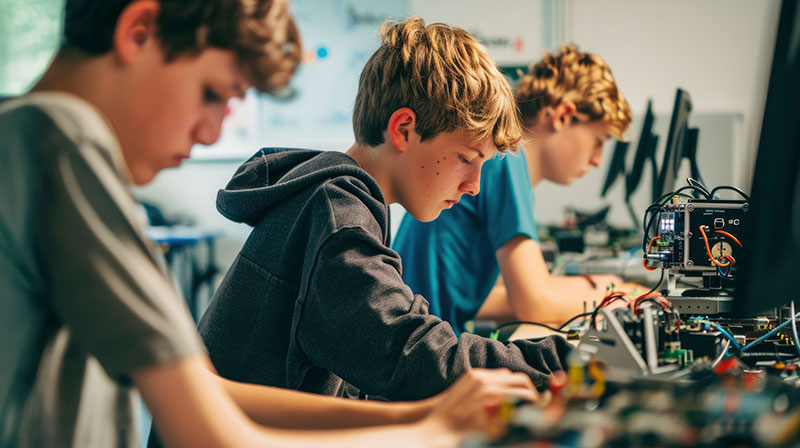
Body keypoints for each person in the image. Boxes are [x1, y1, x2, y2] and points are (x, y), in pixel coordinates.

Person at [0, 1, 539, 447]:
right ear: (137, 33)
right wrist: (428, 429)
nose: (212, 135)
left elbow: (211, 392)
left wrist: (416, 420)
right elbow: (213, 433)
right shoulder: (56, 144)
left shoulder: (30, 146)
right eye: (213, 93)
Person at [198, 17, 572, 404]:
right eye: (466, 157)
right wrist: (574, 358)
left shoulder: (334, 199)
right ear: (403, 130)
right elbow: (418, 358)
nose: (475, 185)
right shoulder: (338, 218)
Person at [393, 45, 634, 334]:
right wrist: (621, 294)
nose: (597, 160)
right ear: (563, 116)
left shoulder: (504, 160)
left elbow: (472, 299)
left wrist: (585, 289)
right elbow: (534, 305)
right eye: (598, 140)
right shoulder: (507, 156)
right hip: (423, 348)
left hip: (419, 334)